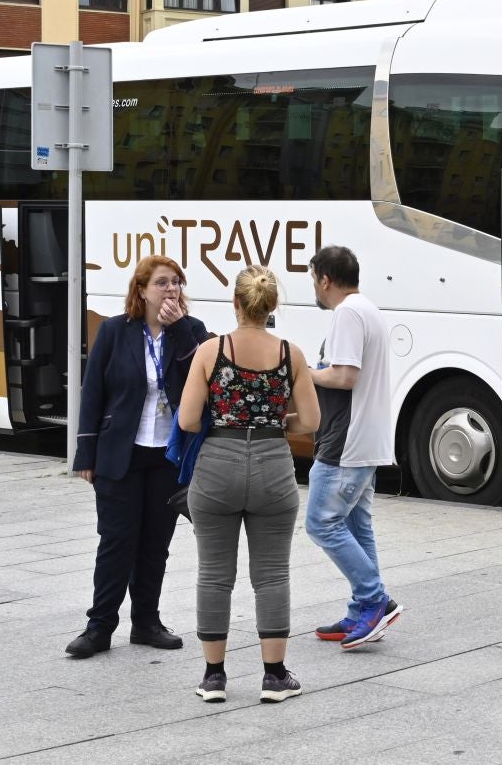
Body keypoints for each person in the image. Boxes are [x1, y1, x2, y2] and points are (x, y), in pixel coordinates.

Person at [177, 265, 320, 704]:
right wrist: (276, 417)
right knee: (272, 574)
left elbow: (187, 420)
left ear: (235, 303)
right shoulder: (289, 354)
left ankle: (214, 677)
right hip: (273, 465)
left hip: (217, 464)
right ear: (272, 305)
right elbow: (311, 423)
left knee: (215, 575)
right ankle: (275, 677)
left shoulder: (209, 351)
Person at [66, 255, 209, 659]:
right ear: (142, 290)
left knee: (155, 543)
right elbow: (92, 391)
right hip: (120, 454)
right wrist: (85, 452)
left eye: (177, 282)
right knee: (116, 540)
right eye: (162, 282)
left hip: (168, 454)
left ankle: (146, 621)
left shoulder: (192, 331)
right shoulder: (114, 331)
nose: (171, 289)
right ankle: (98, 628)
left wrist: (179, 327)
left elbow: (203, 376)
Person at [304, 244, 402, 651]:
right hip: (368, 438)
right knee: (358, 528)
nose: (314, 287)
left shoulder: (346, 312)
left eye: (313, 279)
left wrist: (305, 372)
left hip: (347, 440)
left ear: (325, 279)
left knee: (320, 523)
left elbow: (344, 377)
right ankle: (364, 609)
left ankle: (374, 599)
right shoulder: (369, 308)